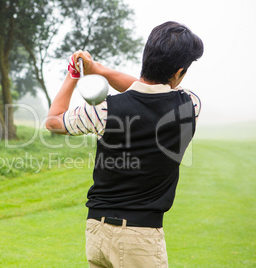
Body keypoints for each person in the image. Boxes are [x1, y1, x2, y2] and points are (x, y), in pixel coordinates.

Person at [46, 21, 204, 267]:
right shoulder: (189, 105)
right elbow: (148, 90)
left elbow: (53, 121)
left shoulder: (104, 110)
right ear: (178, 72)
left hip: (96, 231)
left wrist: (75, 73)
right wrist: (99, 70)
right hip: (141, 238)